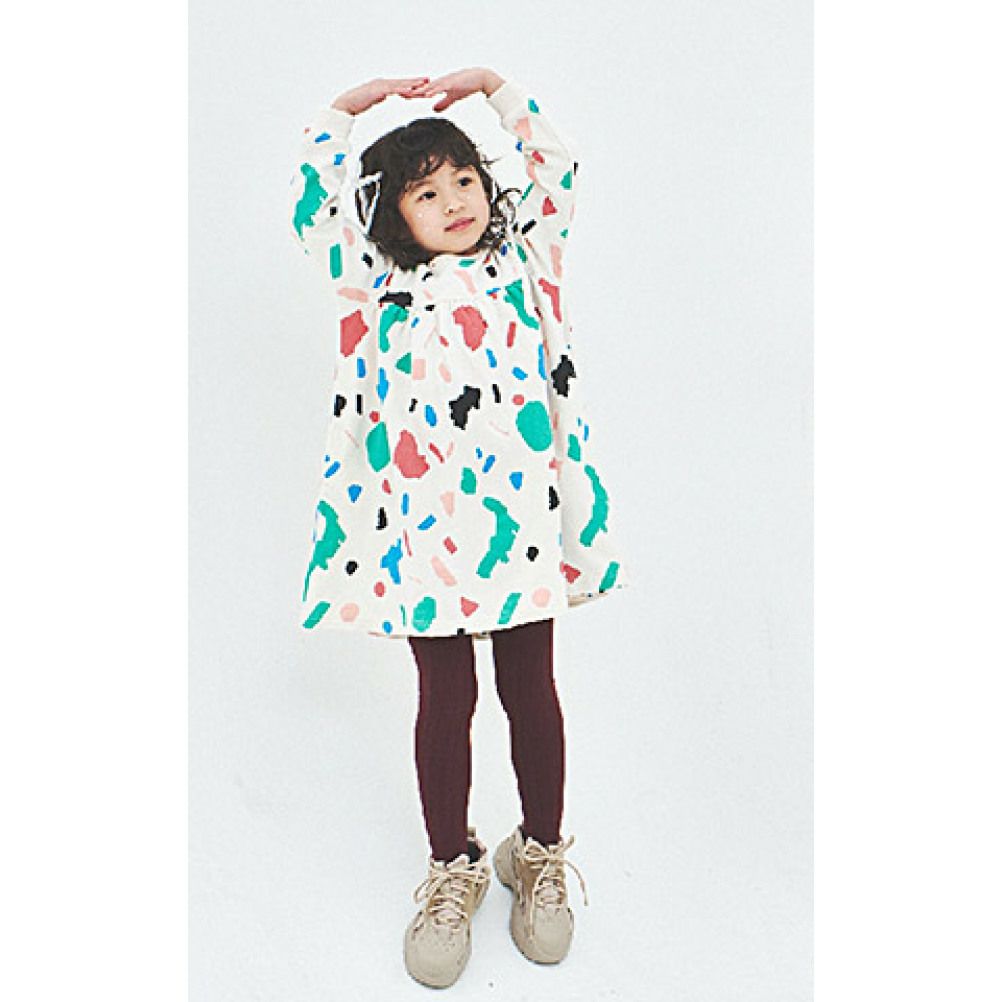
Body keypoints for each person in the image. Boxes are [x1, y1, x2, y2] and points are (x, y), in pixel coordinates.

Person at [289, 67, 628, 988]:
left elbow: (556, 167)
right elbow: (315, 208)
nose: (456, 203)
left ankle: (540, 854)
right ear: (393, 214)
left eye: (466, 181)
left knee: (530, 689)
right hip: (419, 540)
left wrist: (495, 89)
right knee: (446, 700)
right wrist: (345, 110)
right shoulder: (372, 285)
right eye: (427, 193)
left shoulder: (526, 264)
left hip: (521, 531)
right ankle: (453, 865)